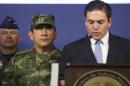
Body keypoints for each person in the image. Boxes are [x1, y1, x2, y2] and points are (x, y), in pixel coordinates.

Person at [59, 0, 130, 85]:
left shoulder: (127, 47)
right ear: (85, 22)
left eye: (100, 22)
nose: (95, 27)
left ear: (109, 22)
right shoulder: (70, 50)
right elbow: (62, 79)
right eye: (91, 22)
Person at [1, 14, 62, 86]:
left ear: (55, 34)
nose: (44, 33)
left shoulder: (65, 58)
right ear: (31, 35)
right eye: (39, 28)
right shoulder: (17, 60)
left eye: (48, 28)